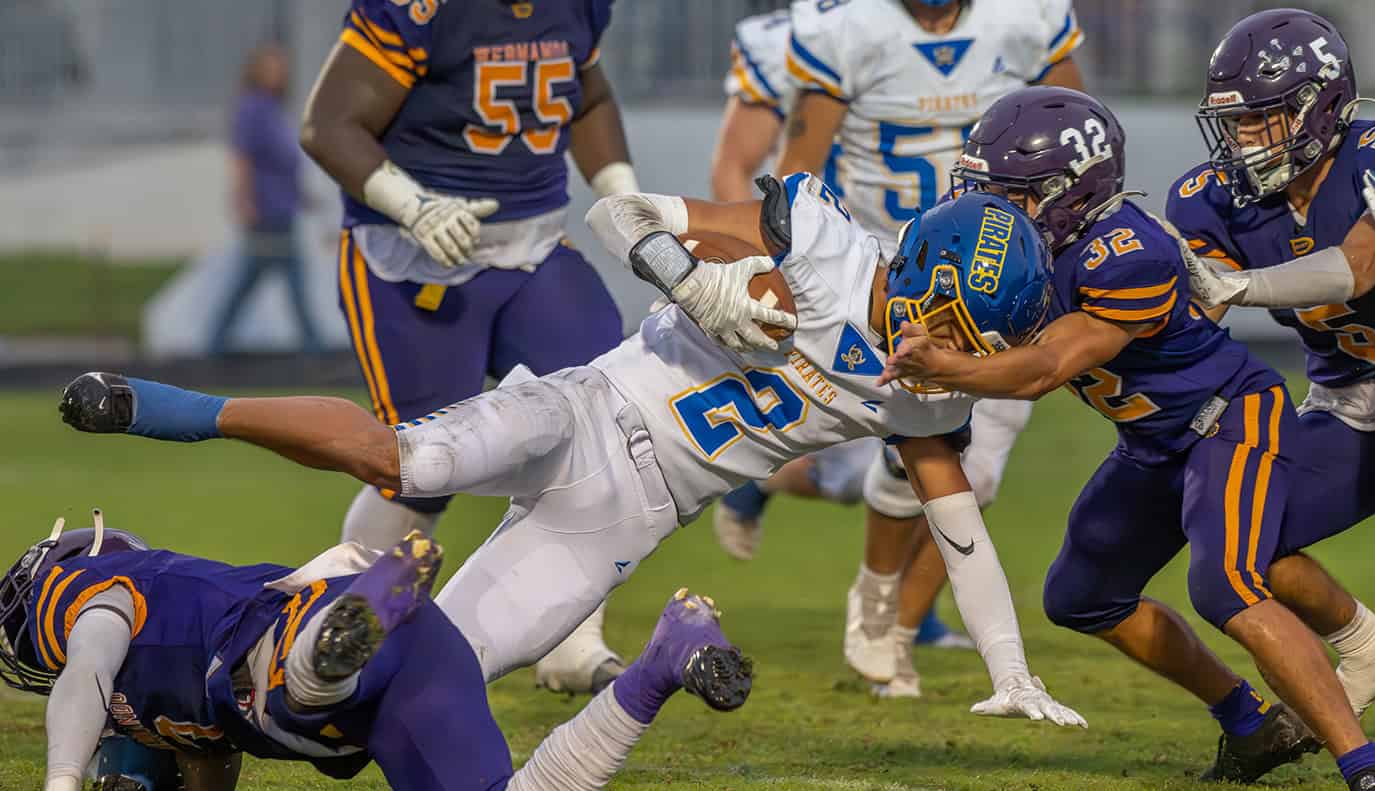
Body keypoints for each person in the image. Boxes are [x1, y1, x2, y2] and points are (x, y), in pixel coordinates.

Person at [59, 185, 1087, 729]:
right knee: (405, 462)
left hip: (631, 511)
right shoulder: (818, 242)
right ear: (917, 270)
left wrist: (1010, 667)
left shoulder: (927, 389)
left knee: (419, 669)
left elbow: (957, 530)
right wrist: (696, 283)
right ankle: (164, 405)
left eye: (973, 345)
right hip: (589, 406)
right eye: (952, 325)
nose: (953, 357)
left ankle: (185, 700)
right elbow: (619, 212)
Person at [885, 84, 1375, 789]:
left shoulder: (1128, 252)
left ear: (1070, 193)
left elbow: (1045, 366)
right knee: (1080, 595)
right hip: (1150, 441)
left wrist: (950, 366)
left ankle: (1359, 763)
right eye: (983, 187)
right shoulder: (1021, 250)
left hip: (1225, 418)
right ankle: (1248, 721)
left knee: (1226, 582)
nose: (992, 210)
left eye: (1012, 193)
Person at [299, 0, 642, 693]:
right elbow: (328, 125)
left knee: (608, 419)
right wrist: (411, 203)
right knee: (423, 468)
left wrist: (624, 194)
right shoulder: (421, 9)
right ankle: (330, 624)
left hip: (533, 245)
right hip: (412, 256)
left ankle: (571, 635)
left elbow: (588, 92)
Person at [1, 513, 751, 791]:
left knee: (279, 688)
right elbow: (207, 750)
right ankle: (663, 662)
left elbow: (90, 664)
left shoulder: (97, 590)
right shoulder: (160, 711)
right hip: (411, 662)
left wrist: (62, 779)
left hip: (298, 634)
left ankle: (339, 644)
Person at [1170, 10, 1375, 602]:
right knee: (1250, 539)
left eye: (1261, 116)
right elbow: (1188, 323)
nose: (1244, 137)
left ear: (1321, 104)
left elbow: (1358, 268)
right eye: (1234, 121)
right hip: (1350, 402)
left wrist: (1241, 286)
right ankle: (1362, 653)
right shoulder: (1211, 199)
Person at [211, 43, 321, 357]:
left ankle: (216, 342)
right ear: (256, 70)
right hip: (265, 210)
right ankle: (314, 347)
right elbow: (242, 158)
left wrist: (303, 197)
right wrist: (244, 200)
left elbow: (284, 161)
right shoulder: (251, 109)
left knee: (254, 280)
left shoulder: (274, 109)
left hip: (283, 208)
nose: (278, 73)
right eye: (271, 67)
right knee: (285, 279)